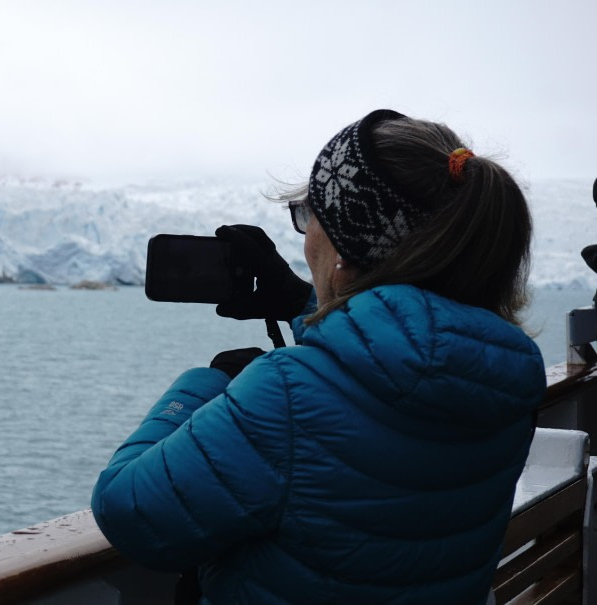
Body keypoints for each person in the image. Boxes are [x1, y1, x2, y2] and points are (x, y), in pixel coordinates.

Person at [91, 110, 547, 605]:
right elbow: (397, 363)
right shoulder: (506, 377)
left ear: (344, 249)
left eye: (310, 217)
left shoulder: (286, 394)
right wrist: (298, 300)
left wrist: (208, 384)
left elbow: (129, 511)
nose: (305, 237)